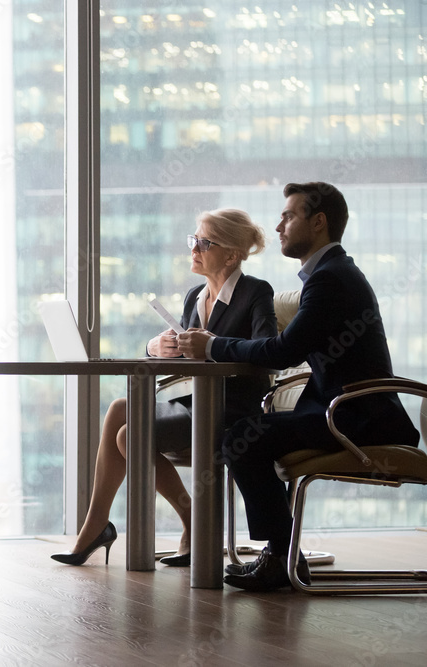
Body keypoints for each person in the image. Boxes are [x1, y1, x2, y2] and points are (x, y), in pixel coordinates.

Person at [178, 182, 419, 591]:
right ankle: (284, 553)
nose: (278, 226)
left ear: (319, 222)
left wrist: (213, 344)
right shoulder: (329, 275)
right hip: (339, 410)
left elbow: (284, 351)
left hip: (358, 418)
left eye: (289, 216)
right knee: (246, 436)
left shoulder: (331, 279)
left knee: (243, 438)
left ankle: (281, 555)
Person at [52, 209, 277, 567]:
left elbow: (267, 350)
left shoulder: (255, 293)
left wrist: (212, 343)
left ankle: (190, 520)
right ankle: (95, 525)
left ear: (232, 255)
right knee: (120, 409)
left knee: (129, 436)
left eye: (204, 243)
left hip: (231, 409)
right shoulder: (194, 297)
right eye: (194, 240)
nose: (194, 250)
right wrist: (155, 348)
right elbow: (186, 358)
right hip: (190, 401)